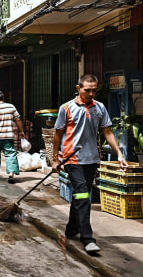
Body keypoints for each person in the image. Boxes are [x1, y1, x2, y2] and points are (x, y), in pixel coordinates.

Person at [52, 74, 128, 254]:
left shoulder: (99, 107)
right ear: (79, 89)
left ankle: (71, 229)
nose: (92, 93)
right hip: (72, 158)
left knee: (80, 196)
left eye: (94, 90)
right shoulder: (66, 108)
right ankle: (87, 238)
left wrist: (119, 154)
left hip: (92, 159)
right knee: (83, 195)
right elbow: (57, 133)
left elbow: (107, 132)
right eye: (88, 90)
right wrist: (55, 158)